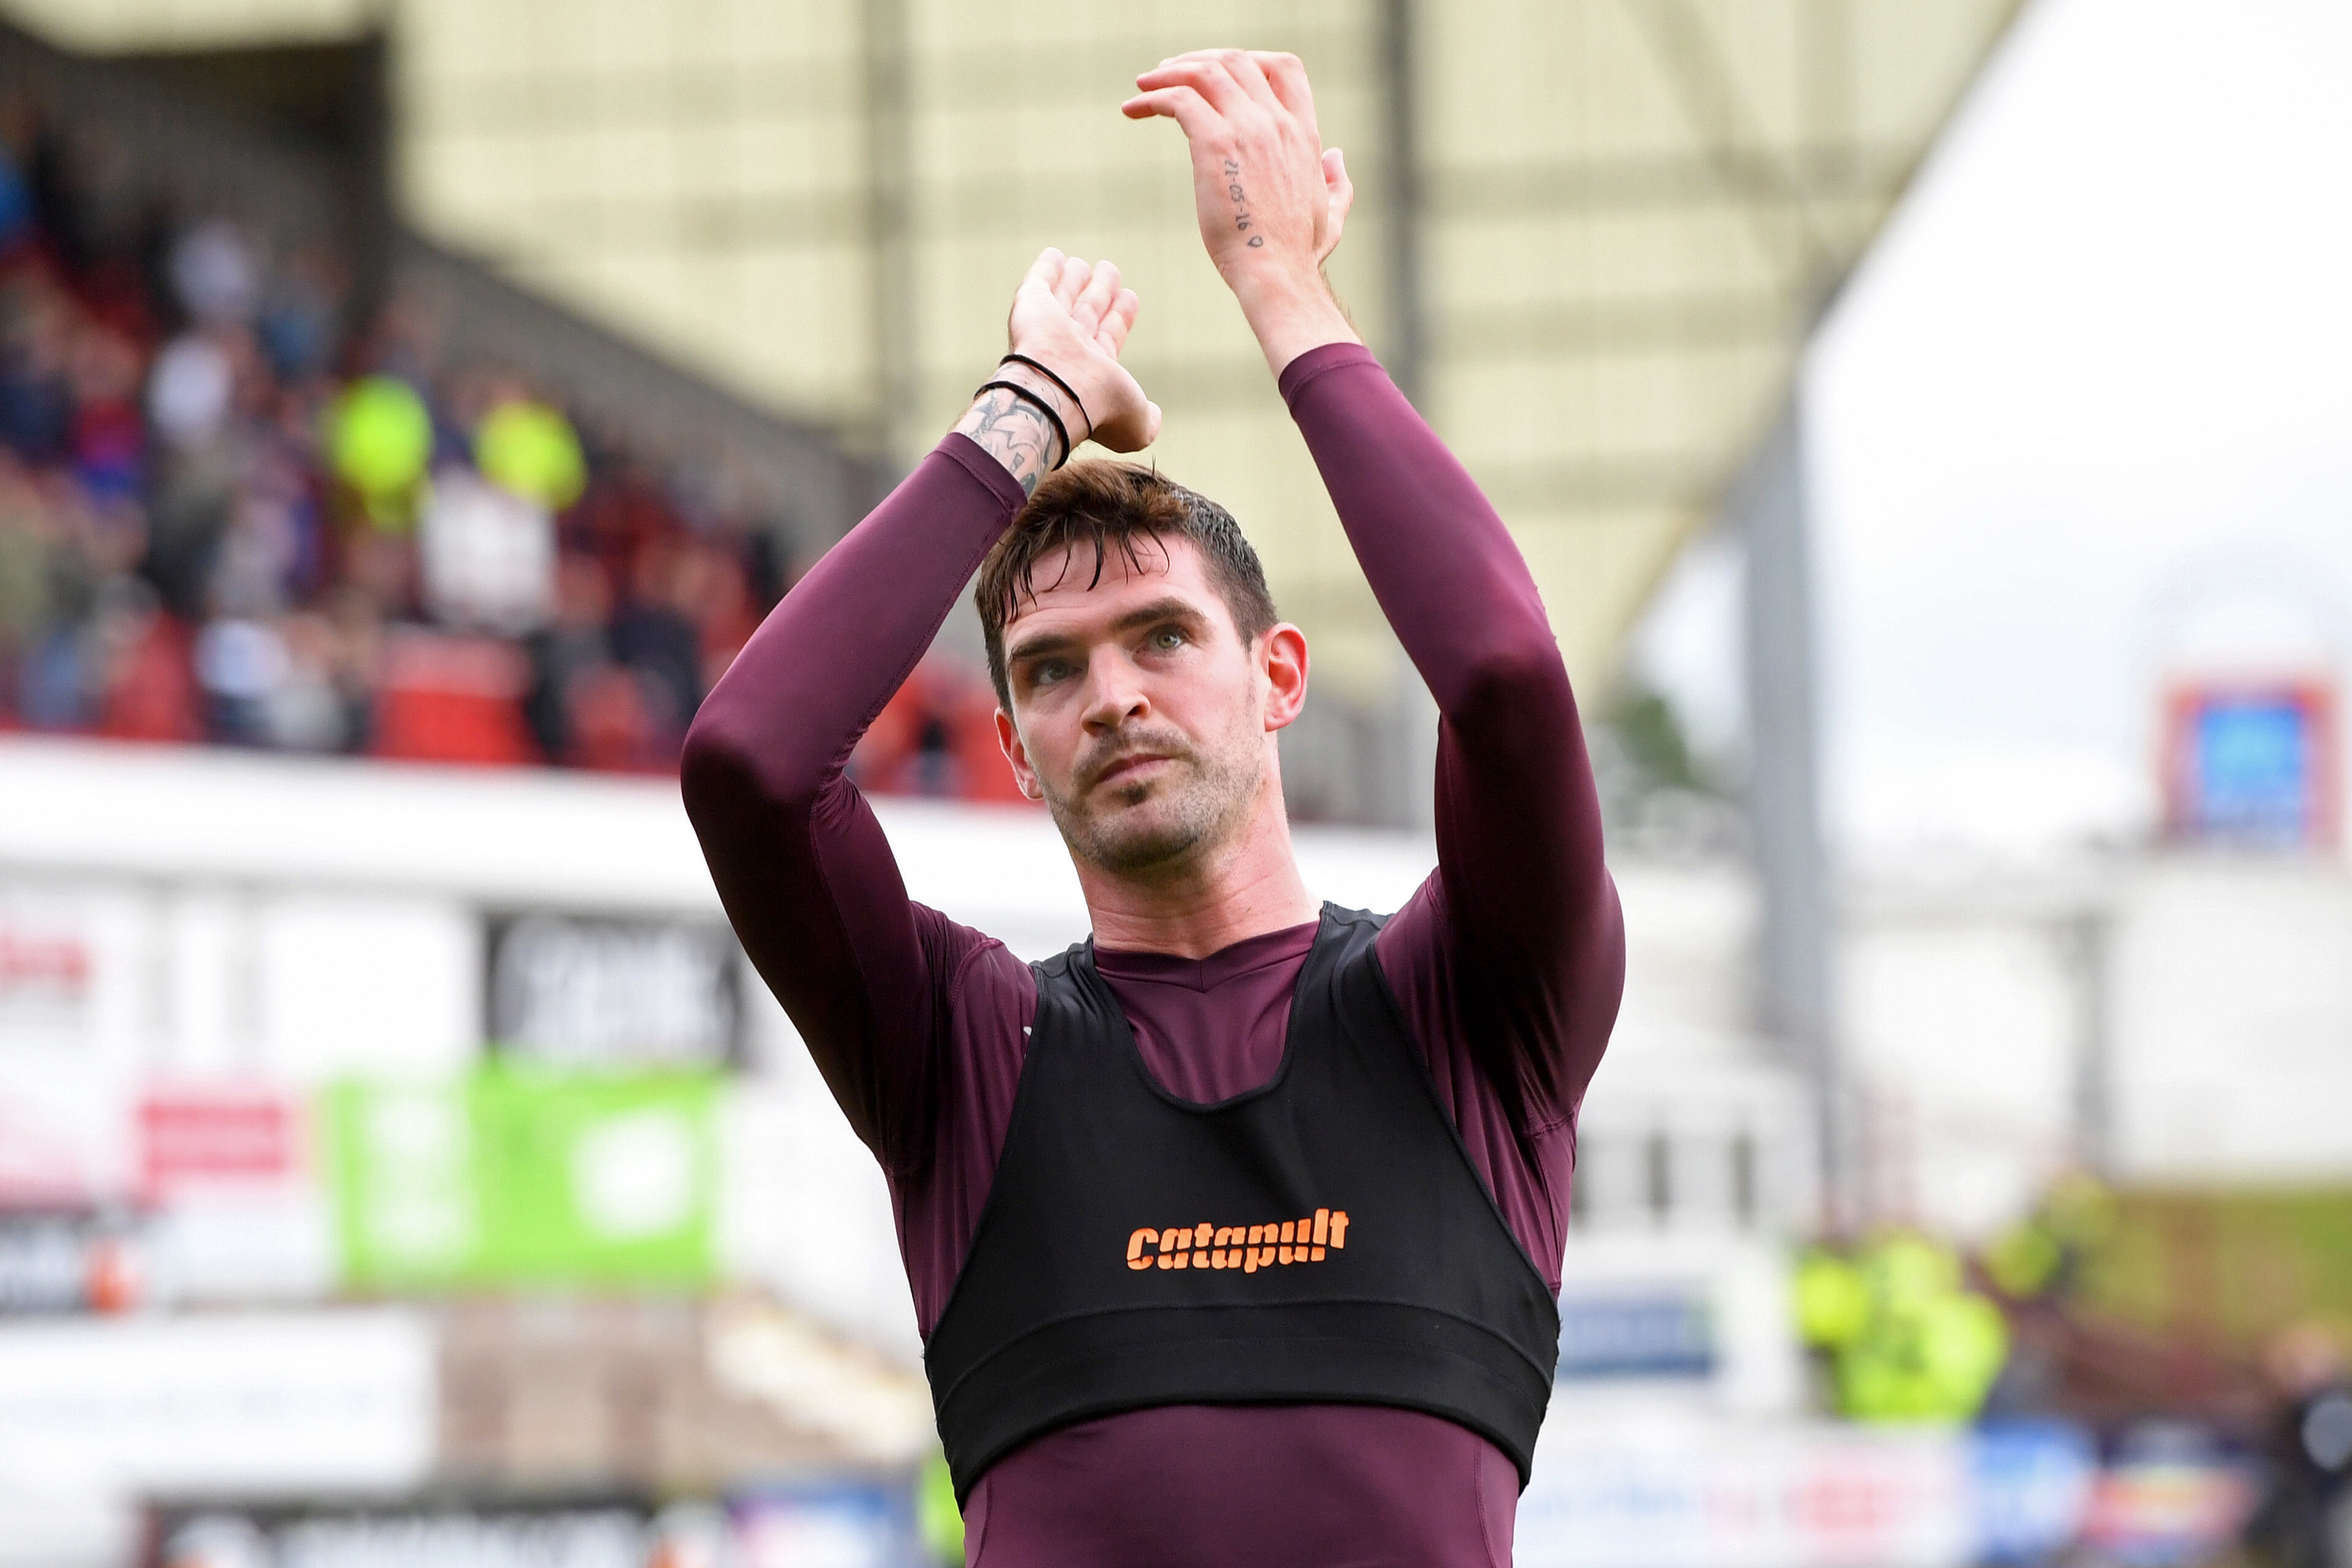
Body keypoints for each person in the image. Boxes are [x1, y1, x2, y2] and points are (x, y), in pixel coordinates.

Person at [682, 49, 1623, 1567]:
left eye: (1165, 638)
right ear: (1015, 742)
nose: (1110, 695)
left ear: (1280, 677)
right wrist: (1030, 405)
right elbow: (749, 761)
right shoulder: (964, 1055)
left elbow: (1507, 675)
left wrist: (1281, 285)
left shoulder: (1468, 1009)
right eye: (1053, 671)